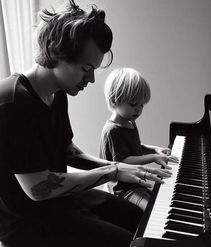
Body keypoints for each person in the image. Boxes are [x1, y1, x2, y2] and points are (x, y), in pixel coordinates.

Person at [0, 1, 172, 247]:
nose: (91, 79)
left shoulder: (57, 93)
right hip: (27, 222)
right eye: (86, 68)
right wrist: (111, 172)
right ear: (55, 52)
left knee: (141, 218)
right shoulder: (13, 102)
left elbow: (69, 151)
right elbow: (38, 188)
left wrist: (118, 166)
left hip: (59, 204)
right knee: (132, 244)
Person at [99, 68, 178, 211]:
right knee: (151, 210)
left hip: (135, 183)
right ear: (115, 100)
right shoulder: (113, 130)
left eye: (142, 105)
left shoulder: (129, 122)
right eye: (133, 104)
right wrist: (153, 157)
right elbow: (124, 161)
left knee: (159, 203)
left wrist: (154, 149)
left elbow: (135, 147)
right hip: (122, 189)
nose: (139, 110)